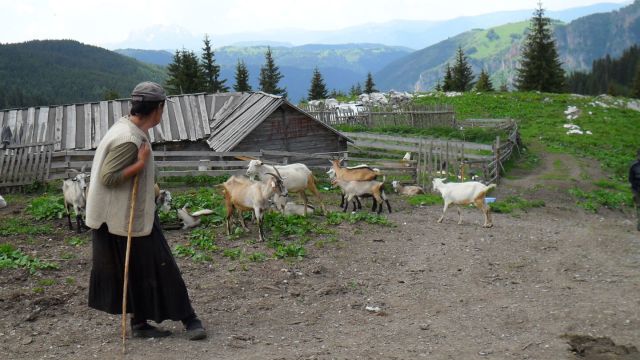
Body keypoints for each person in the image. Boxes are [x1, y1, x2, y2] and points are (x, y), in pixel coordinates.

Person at [86, 81, 206, 340]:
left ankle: (140, 323)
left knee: (138, 270)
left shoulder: (130, 127)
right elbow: (108, 177)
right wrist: (140, 164)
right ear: (158, 108)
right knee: (163, 265)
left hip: (128, 214)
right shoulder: (129, 138)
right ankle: (189, 319)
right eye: (163, 107)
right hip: (120, 219)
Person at [630, 149, 640, 231]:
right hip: (637, 189)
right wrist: (634, 190)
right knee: (638, 207)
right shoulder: (634, 166)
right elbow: (631, 179)